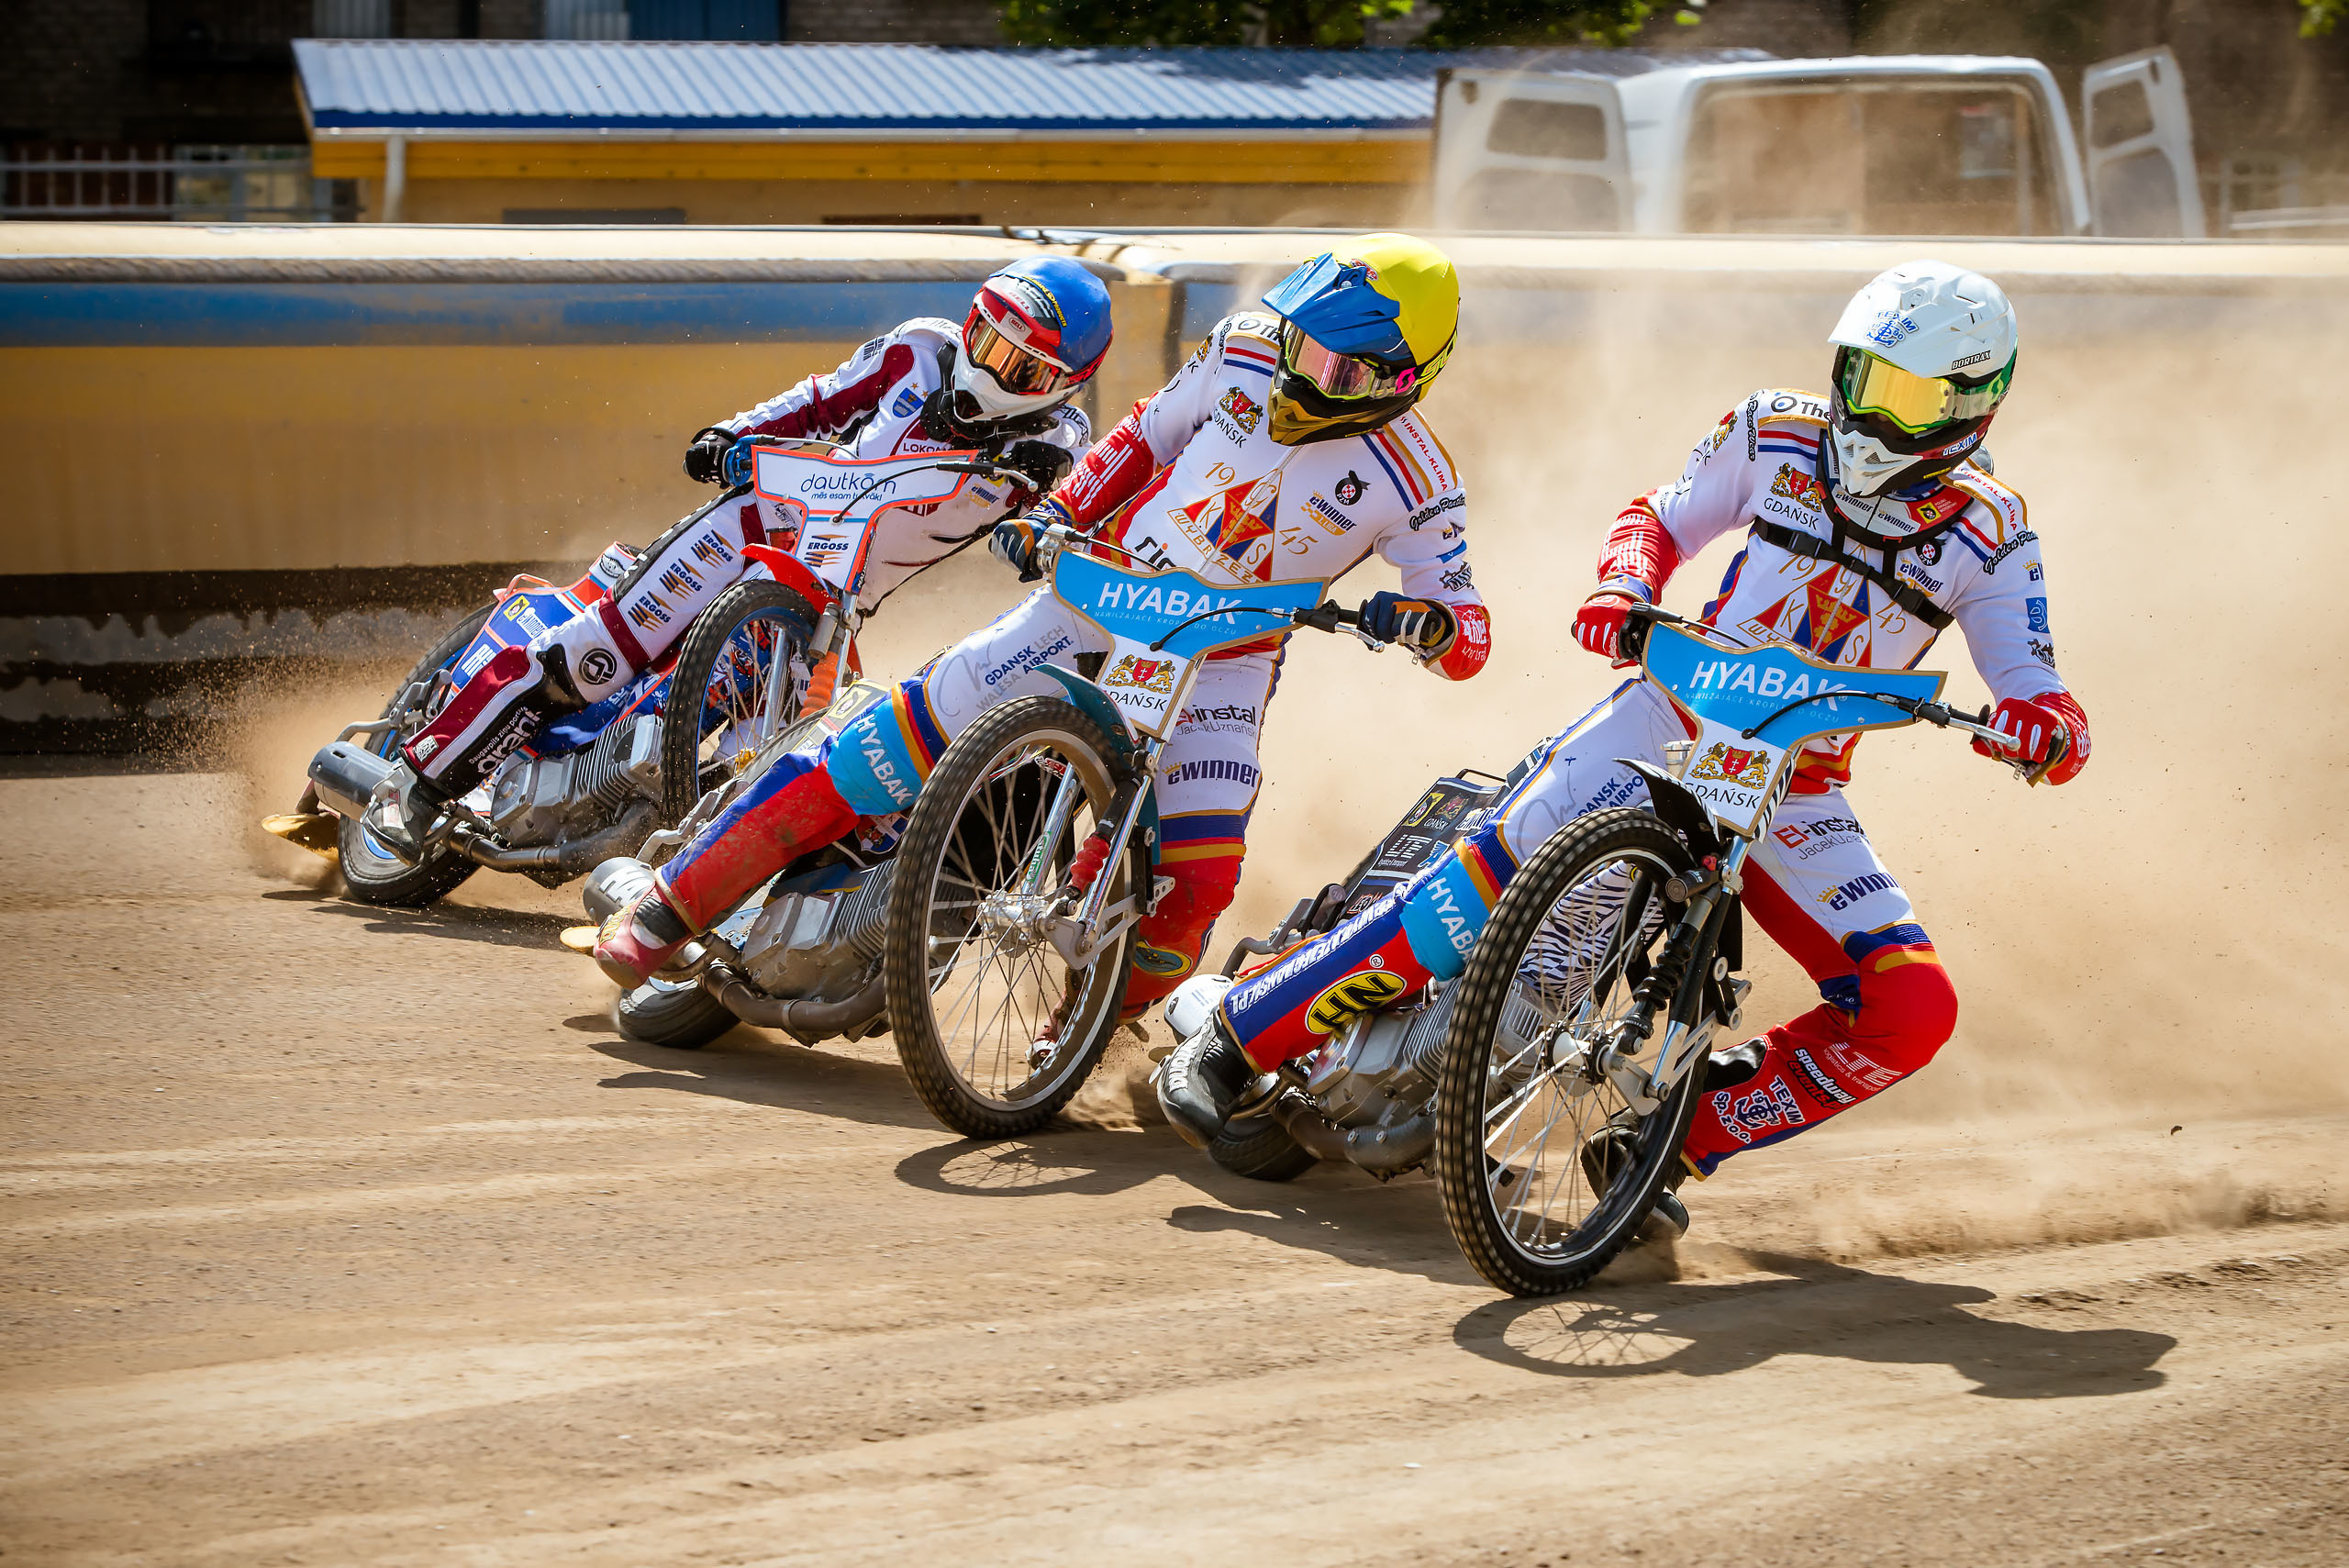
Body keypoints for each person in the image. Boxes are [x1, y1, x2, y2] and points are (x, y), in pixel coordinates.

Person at [1158, 259, 2091, 1227]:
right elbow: (1659, 517)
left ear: (1970, 404)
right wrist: (1624, 586)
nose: (1866, 410)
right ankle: (1230, 1041)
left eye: (1901, 393)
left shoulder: (1994, 534)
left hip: (1791, 790)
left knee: (1911, 1008)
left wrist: (2045, 730)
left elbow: (2036, 684)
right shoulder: (1772, 429)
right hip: (1665, 715)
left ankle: (1667, 1142)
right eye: (1859, 376)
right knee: (1478, 878)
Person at [590, 234, 1492, 1035]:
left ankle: (1083, 1031)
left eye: (1332, 368)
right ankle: (670, 908)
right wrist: (1058, 513)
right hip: (1097, 596)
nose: (1296, 370)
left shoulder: (1417, 477)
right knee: (881, 745)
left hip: (1225, 660)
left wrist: (1426, 622)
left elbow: (1468, 635)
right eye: (1298, 338)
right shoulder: (1242, 347)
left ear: (1399, 380)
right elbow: (1141, 440)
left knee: (1198, 883)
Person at [369, 256, 1115, 859]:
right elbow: (821, 400)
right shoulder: (920, 348)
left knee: (783, 761)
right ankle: (416, 785)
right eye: (986, 338)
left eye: (1018, 369)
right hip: (760, 521)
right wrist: (731, 433)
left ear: (1060, 385)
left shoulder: (1059, 438)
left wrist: (1049, 518)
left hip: (838, 599)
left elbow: (1074, 498)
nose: (987, 370)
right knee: (596, 653)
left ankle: (683, 889)